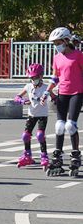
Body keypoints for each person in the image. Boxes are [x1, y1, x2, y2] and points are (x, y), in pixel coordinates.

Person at [45, 27, 83, 177]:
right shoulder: (56, 58)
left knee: (70, 125)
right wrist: (48, 90)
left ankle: (75, 156)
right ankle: (57, 157)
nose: (56, 45)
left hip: (77, 93)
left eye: (58, 42)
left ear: (66, 41)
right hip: (63, 92)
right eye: (54, 43)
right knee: (59, 126)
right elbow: (56, 77)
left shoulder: (79, 56)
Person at [13, 63, 50, 169]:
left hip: (42, 115)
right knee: (25, 136)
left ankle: (44, 156)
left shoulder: (46, 88)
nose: (34, 79)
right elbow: (16, 97)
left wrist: (57, 101)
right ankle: (27, 155)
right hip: (32, 115)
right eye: (32, 78)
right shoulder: (28, 87)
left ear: (41, 76)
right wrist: (22, 101)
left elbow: (54, 97)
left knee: (40, 135)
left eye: (36, 77)